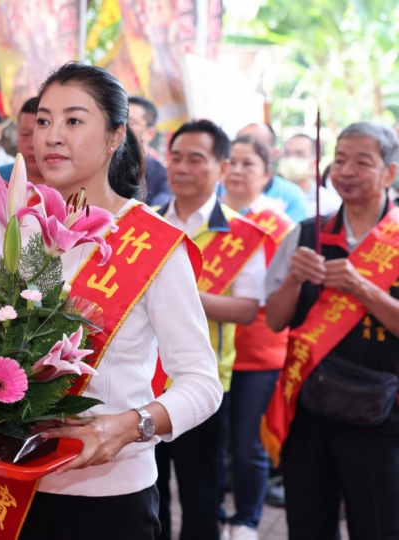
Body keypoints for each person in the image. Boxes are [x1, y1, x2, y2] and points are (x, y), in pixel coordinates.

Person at [0, 62, 222, 540]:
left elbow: (202, 382)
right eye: (44, 121)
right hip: (12, 479)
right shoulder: (13, 231)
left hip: (110, 495)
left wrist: (131, 426)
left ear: (115, 137)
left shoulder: (156, 246)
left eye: (73, 121)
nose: (52, 136)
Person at [263, 121, 399, 540]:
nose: (347, 170)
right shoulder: (306, 233)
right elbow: (274, 320)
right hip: (310, 411)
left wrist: (361, 287)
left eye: (363, 161)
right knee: (307, 524)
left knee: (378, 527)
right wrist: (294, 281)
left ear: (390, 173)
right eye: (340, 160)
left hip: (382, 418)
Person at [154, 120, 268, 540]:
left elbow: (246, 309)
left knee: (201, 488)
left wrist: (175, 294)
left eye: (195, 159)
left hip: (200, 382)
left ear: (222, 168)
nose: (182, 168)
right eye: (176, 157)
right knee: (151, 486)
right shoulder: (147, 224)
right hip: (144, 378)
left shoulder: (242, 234)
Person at [217, 136, 295, 540]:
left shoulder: (278, 227)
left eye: (249, 164)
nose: (238, 171)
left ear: (267, 175)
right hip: (213, 351)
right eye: (231, 162)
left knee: (247, 442)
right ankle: (212, 510)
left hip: (257, 351)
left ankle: (247, 518)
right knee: (213, 441)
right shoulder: (212, 217)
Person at [237, 123, 307, 224]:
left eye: (257, 147)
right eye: (241, 142)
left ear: (274, 154)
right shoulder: (215, 194)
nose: (246, 150)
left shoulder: (293, 197)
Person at [0, 97, 43, 193]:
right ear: (16, 134)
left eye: (39, 136)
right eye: (25, 134)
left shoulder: (68, 181)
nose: (32, 144)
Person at [280, 133, 341, 217]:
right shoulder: (266, 198)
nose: (291, 159)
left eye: (299, 154)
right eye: (287, 153)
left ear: (314, 162)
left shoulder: (330, 203)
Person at [128, 96, 171, 206]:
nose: (122, 127)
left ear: (150, 133)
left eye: (131, 122)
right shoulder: (102, 167)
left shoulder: (164, 179)